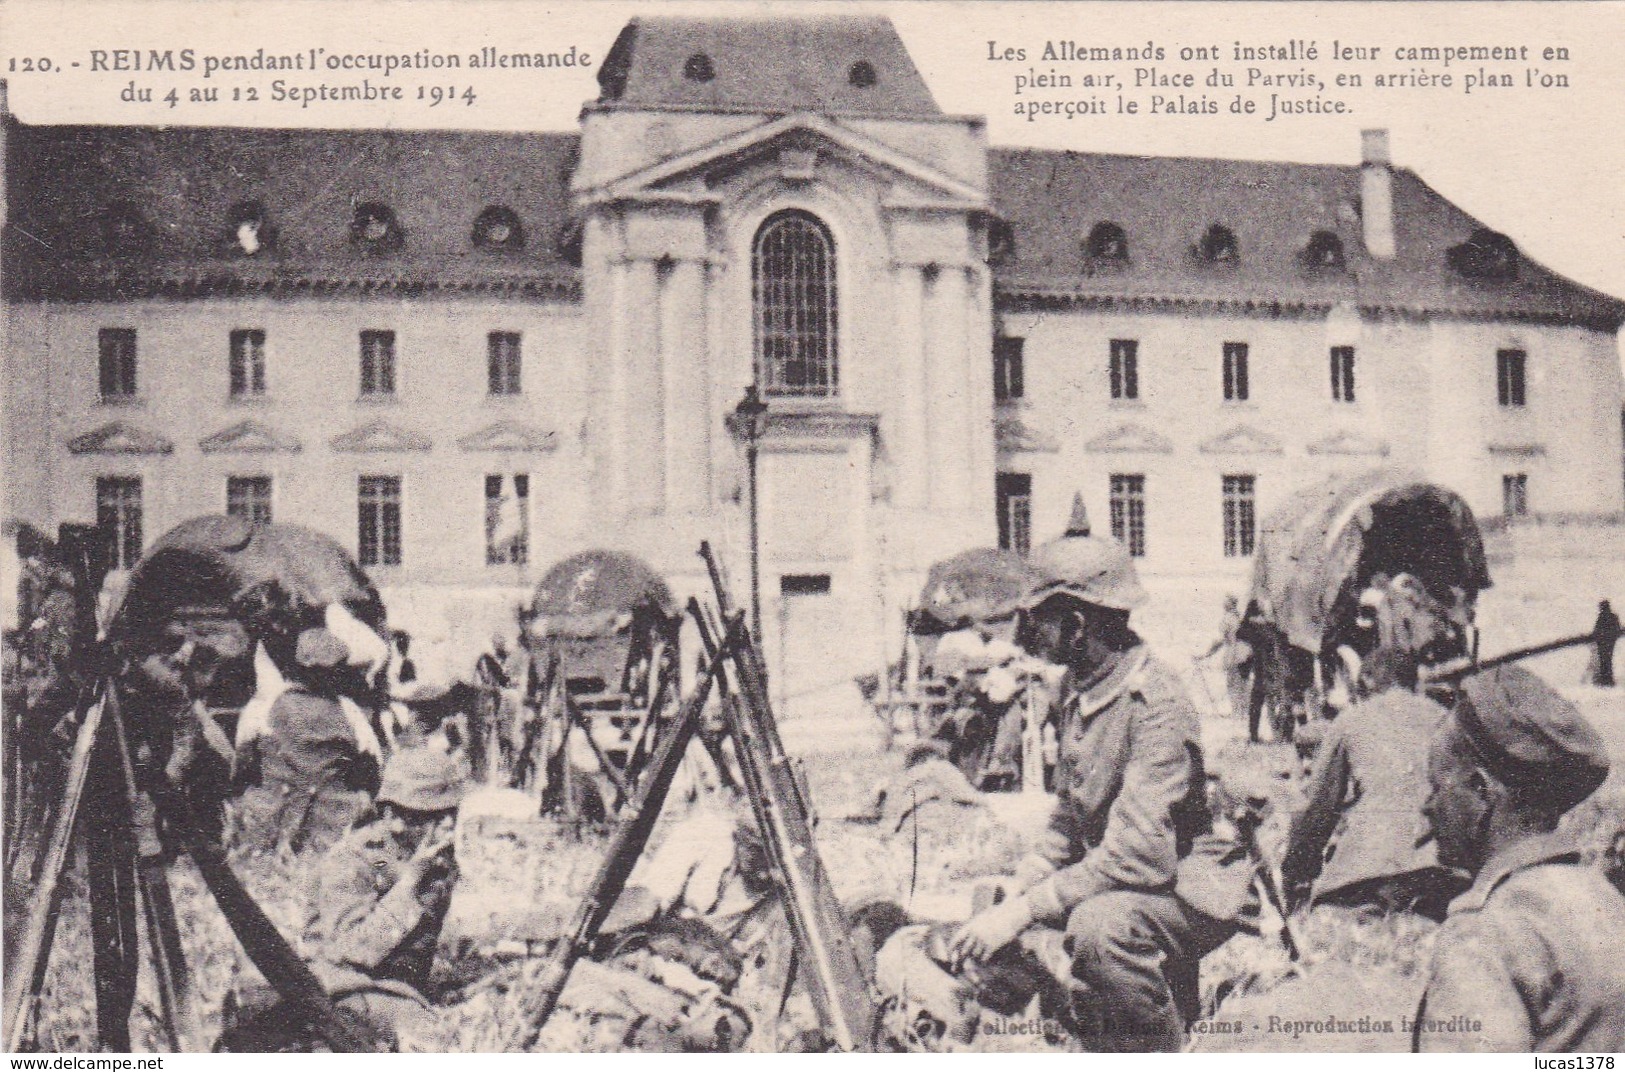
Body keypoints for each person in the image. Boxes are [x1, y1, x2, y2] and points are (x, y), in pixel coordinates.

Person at [948, 505, 1253, 1052]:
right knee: (1002, 900)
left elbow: (1139, 856)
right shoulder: (1075, 690)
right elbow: (1069, 815)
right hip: (1125, 887)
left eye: (1036, 617)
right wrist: (1022, 884)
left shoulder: (1157, 701)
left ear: (1078, 624)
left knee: (1099, 929)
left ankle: (1160, 1052)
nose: (1026, 632)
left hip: (1189, 889)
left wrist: (1025, 909)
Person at [1414, 665, 1625, 1052]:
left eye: (1437, 788)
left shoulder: (1485, 933)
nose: (1427, 809)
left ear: (1480, 792)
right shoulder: (1605, 899)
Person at [221, 744, 468, 1052]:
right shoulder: (354, 860)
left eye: (451, 814)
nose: (446, 827)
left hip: (394, 990)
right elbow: (354, 952)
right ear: (393, 816)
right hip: (339, 987)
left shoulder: (434, 857)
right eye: (431, 816)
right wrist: (410, 883)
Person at [1282, 687, 1466, 920]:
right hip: (1439, 868)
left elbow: (1316, 810)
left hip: (1369, 872)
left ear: (1366, 683)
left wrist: (1297, 877)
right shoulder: (1445, 716)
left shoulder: (1350, 719)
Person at [235, 627, 381, 856]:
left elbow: (242, 764)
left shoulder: (263, 705)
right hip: (329, 826)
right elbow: (372, 769)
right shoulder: (348, 710)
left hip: (272, 820)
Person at [1592, 599, 1620, 687]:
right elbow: (1617, 630)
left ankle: (1605, 680)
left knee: (1603, 660)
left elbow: (1596, 630)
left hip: (1602, 643)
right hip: (1610, 642)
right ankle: (1608, 679)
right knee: (1608, 659)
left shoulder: (1601, 617)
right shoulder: (1613, 616)